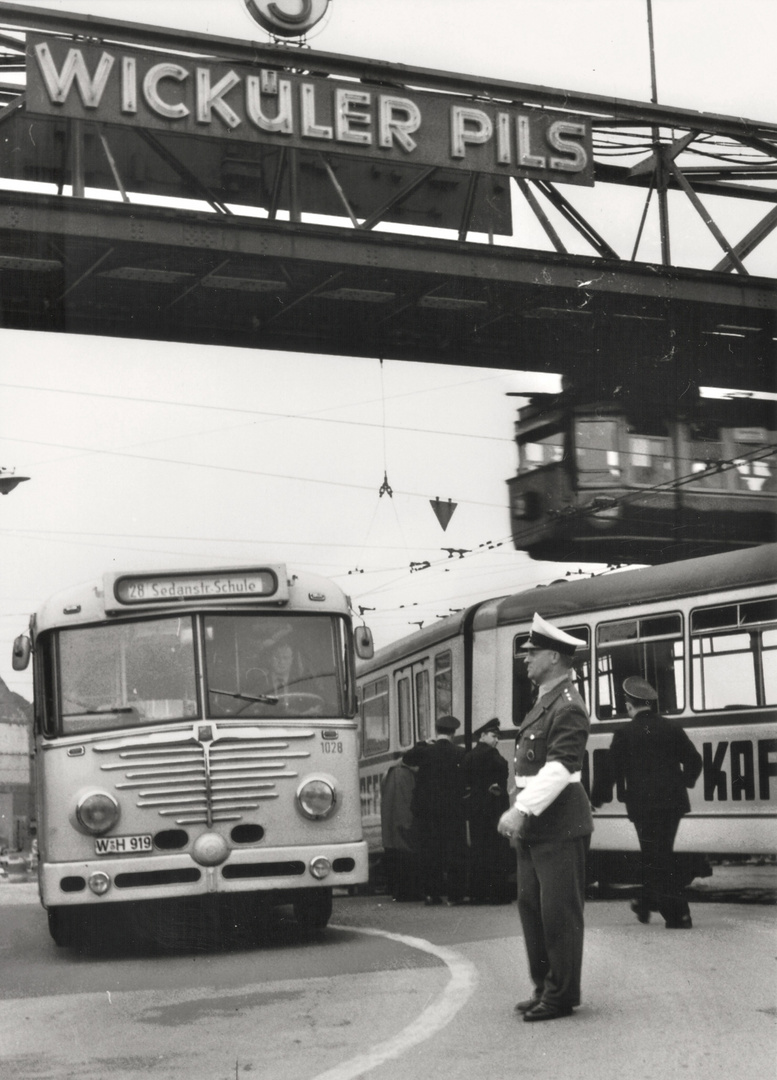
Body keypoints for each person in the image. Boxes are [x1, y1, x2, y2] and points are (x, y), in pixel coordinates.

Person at [498, 613, 593, 1022]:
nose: (526, 660)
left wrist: (520, 809)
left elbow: (559, 769)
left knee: (558, 913)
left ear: (554, 657)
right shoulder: (545, 700)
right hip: (538, 825)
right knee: (531, 907)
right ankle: (544, 988)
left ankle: (561, 994)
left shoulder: (568, 705)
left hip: (558, 824)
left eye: (532, 653)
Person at [592, 676, 703, 929]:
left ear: (629, 705)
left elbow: (610, 771)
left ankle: (678, 915)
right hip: (673, 805)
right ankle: (645, 903)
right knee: (659, 854)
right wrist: (684, 781)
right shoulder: (671, 728)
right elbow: (695, 761)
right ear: (649, 704)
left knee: (656, 857)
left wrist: (596, 799)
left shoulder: (625, 733)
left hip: (644, 808)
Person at [403, 715, 467, 906]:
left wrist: (422, 744)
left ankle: (432, 894)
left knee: (430, 852)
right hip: (452, 811)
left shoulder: (426, 752)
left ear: (436, 731)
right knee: (454, 851)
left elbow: (407, 759)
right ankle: (455, 895)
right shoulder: (460, 753)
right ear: (453, 733)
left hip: (427, 812)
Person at [461, 718, 512, 904]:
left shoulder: (469, 757)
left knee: (478, 850)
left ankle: (477, 893)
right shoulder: (493, 756)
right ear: (483, 735)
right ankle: (498, 894)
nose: (496, 740)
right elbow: (503, 771)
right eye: (494, 736)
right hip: (494, 810)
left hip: (475, 811)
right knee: (497, 851)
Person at [380, 761, 423, 901]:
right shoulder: (404, 775)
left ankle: (398, 892)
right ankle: (409, 893)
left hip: (391, 826)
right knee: (407, 856)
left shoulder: (391, 772)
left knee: (396, 857)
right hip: (404, 824)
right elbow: (408, 801)